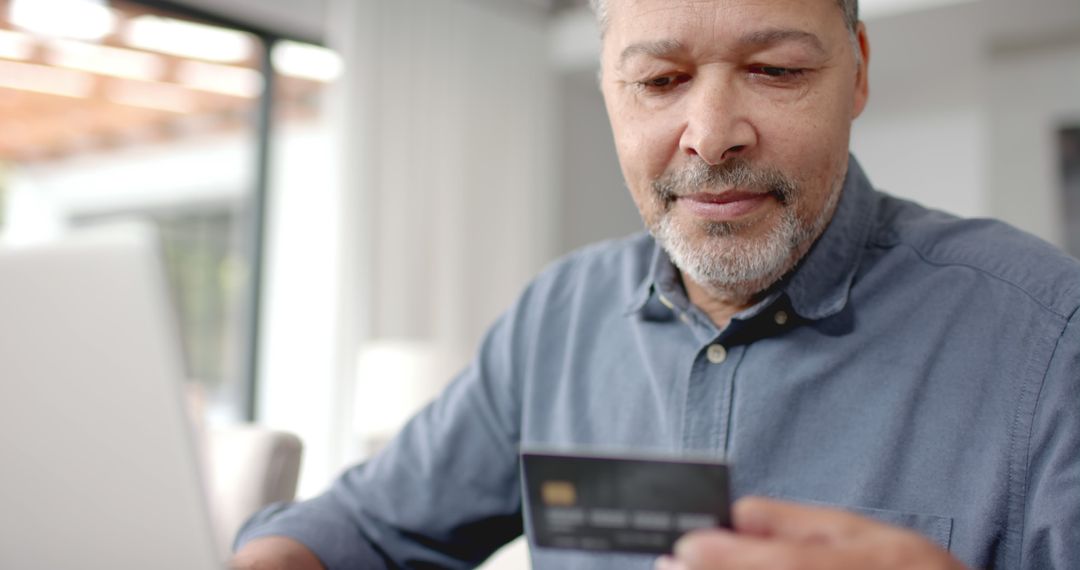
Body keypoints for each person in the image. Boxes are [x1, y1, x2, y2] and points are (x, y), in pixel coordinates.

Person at [231, 0, 1080, 568]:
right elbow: (369, 528)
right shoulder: (555, 319)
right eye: (660, 82)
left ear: (856, 72)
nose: (710, 138)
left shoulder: (1048, 337)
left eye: (777, 70)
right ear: (608, 87)